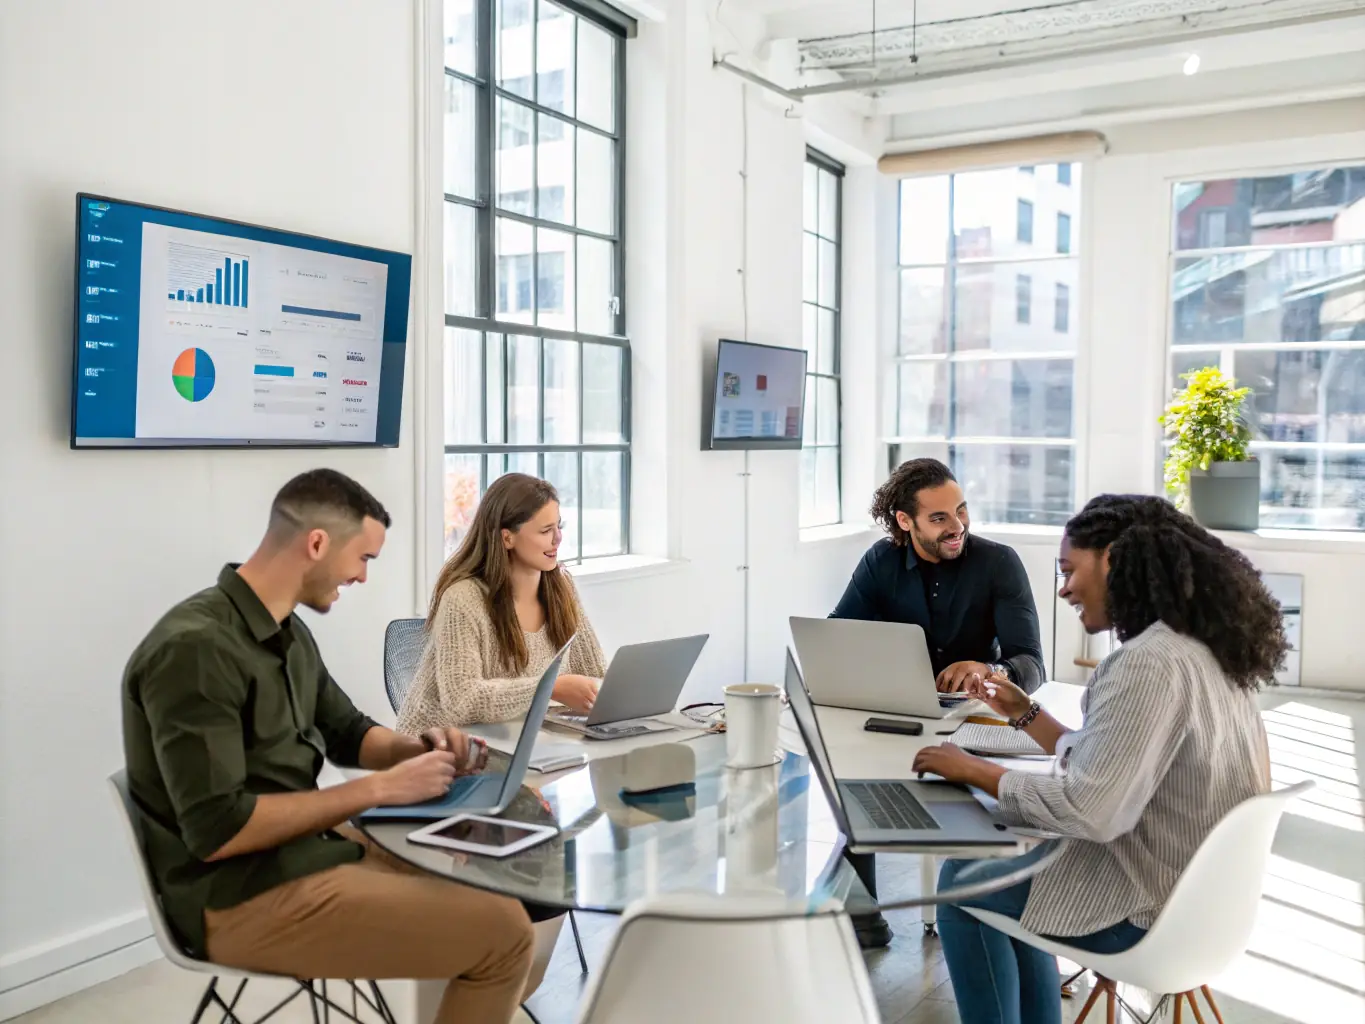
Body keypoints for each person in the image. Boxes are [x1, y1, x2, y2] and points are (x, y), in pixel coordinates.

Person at [122, 469, 537, 1024]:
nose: (363, 577)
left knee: (477, 871)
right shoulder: (196, 649)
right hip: (240, 895)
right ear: (316, 544)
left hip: (305, 849)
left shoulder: (286, 632)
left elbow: (348, 732)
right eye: (363, 559)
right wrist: (380, 790)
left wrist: (417, 751)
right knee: (504, 934)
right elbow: (219, 830)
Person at [912, 494, 1281, 1024]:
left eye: (1069, 570)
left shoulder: (1146, 663)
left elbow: (1091, 809)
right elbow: (1109, 763)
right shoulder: (1200, 648)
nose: (1063, 589)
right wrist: (1023, 711)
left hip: (1152, 912)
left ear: (1111, 559)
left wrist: (974, 769)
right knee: (1013, 876)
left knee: (964, 883)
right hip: (1204, 907)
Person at [832, 457, 1046, 947]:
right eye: (940, 518)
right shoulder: (879, 562)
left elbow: (1032, 663)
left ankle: (988, 910)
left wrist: (992, 672)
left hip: (976, 718)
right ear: (905, 522)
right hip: (901, 711)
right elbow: (840, 634)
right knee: (841, 765)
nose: (958, 527)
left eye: (962, 511)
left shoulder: (998, 563)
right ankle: (862, 920)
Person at [397, 473, 606, 732]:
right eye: (545, 531)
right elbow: (462, 701)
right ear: (507, 538)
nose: (558, 539)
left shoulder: (562, 588)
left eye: (558, 527)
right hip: (438, 749)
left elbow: (596, 673)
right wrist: (549, 687)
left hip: (513, 741)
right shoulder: (463, 599)